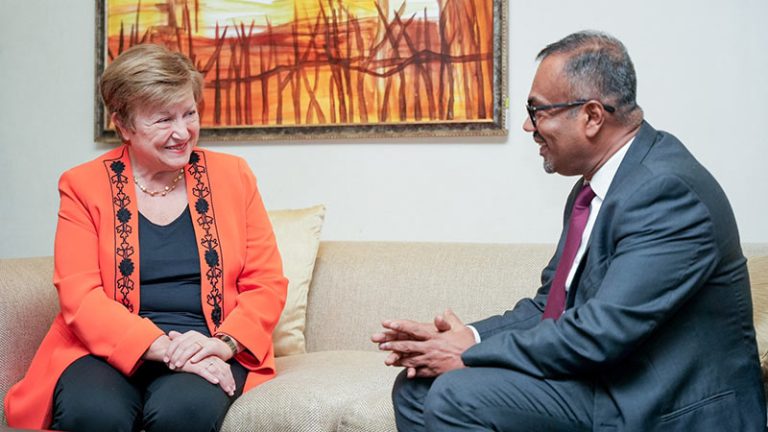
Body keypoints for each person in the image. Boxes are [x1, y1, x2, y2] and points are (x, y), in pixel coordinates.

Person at [373, 31, 766, 431]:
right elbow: (551, 307)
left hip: (658, 405)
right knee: (415, 389)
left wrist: (469, 355)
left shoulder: (666, 192)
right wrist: (468, 337)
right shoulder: (596, 189)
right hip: (605, 384)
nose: (528, 126)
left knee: (456, 395)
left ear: (592, 116)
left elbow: (600, 332)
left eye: (537, 110)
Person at [4, 43, 288, 431]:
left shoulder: (233, 176)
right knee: (93, 412)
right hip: (103, 349)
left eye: (189, 113)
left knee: (182, 412)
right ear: (123, 125)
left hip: (206, 343)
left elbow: (266, 283)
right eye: (162, 119)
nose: (182, 132)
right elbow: (80, 296)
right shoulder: (82, 185)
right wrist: (168, 350)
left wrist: (224, 344)